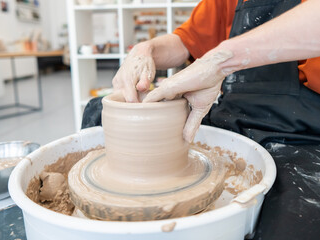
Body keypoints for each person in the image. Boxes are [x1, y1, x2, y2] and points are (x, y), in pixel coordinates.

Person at [82, 0, 320, 238]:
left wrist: (220, 60)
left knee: (293, 224)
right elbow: (186, 41)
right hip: (235, 113)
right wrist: (146, 50)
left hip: (304, 130)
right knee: (97, 111)